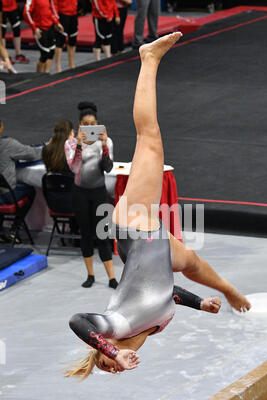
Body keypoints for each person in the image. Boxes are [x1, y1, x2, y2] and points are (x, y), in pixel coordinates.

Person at [65, 33, 251, 379]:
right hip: (153, 249)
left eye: (103, 361)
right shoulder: (156, 325)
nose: (112, 362)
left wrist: (110, 349)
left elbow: (78, 321)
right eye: (111, 367)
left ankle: (148, 58)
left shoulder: (114, 326)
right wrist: (202, 302)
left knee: (149, 138)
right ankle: (228, 287)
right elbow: (168, 293)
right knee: (190, 262)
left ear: (100, 349)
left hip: (134, 229)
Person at [64, 101, 118, 289]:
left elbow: (108, 167)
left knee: (102, 234)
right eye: (85, 125)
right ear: (79, 125)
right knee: (86, 234)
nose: (89, 128)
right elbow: (75, 168)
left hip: (99, 193)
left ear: (97, 124)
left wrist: (103, 145)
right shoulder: (70, 143)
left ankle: (111, 277)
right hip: (80, 194)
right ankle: (90, 275)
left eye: (92, 124)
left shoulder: (106, 141)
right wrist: (79, 145)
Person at [0, 119, 41, 240]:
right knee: (30, 191)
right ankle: (15, 228)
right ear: (1, 127)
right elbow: (33, 154)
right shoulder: (7, 144)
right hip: (6, 195)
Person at [23, 0, 64, 73]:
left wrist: (57, 23)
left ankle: (46, 73)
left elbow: (49, 11)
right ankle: (38, 75)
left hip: (49, 27)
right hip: (40, 29)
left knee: (51, 51)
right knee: (44, 53)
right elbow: (26, 12)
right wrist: (34, 28)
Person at [52, 0, 78, 72]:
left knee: (73, 40)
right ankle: (57, 66)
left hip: (73, 13)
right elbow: (53, 4)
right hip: (63, 15)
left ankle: (72, 64)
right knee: (60, 41)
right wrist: (56, 20)